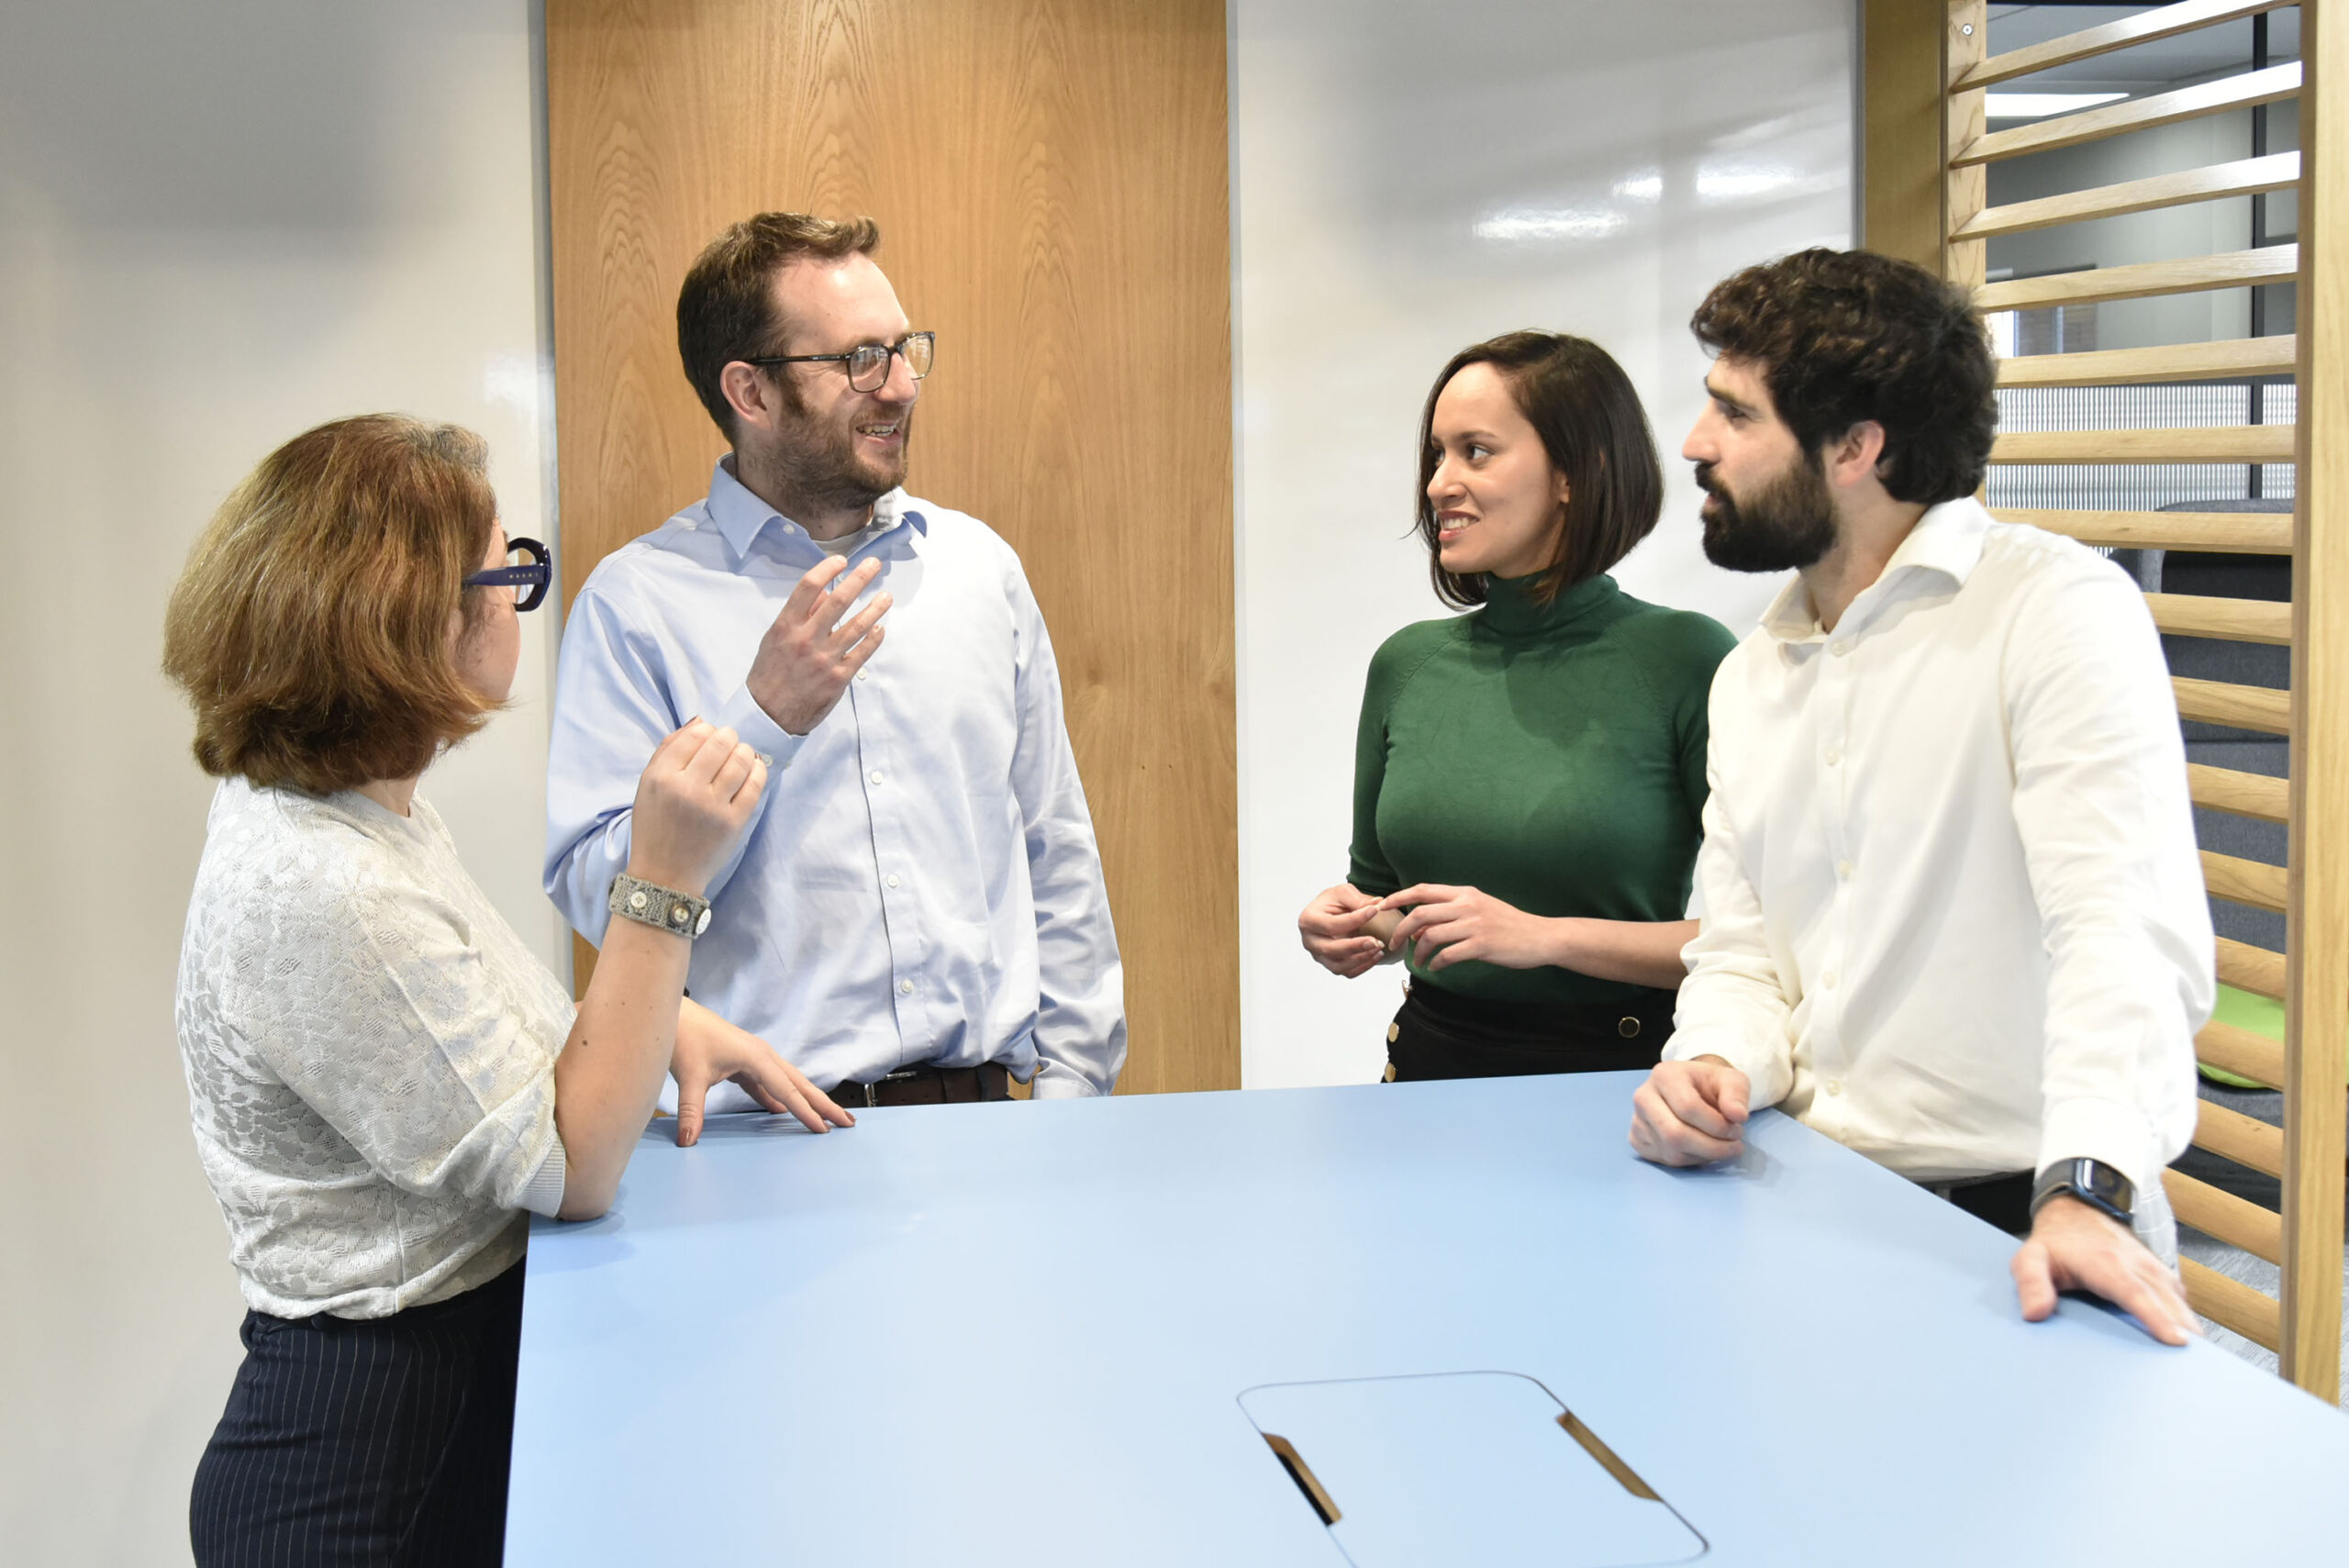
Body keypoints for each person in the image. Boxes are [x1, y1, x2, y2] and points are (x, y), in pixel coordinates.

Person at [165, 416, 852, 1565]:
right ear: (408, 616)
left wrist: (662, 1021)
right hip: (369, 1461)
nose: (519, 596)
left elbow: (469, 1047)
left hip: (425, 1405)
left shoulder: (355, 818)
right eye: (507, 569)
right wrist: (662, 878)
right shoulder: (329, 883)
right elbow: (569, 1168)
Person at [1626, 249, 2210, 1346]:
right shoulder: (1752, 672)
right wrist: (1710, 1062)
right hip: (1806, 1202)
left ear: (1856, 447)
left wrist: (2084, 1187)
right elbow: (1743, 954)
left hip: (2031, 1226)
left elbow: (2118, 932)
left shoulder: (2056, 612)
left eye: (1733, 414)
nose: (1698, 445)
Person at [544, 212, 1124, 1107]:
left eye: (904, 349)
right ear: (751, 392)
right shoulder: (636, 604)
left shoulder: (977, 570)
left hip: (987, 1124)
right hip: (753, 1141)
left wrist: (1075, 1084)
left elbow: (1053, 841)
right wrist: (759, 725)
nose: (899, 386)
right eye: (859, 359)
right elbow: (595, 893)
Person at [1297, 333, 1737, 1080]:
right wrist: (1350, 922)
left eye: (1476, 451)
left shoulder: (1688, 660)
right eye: (1437, 454)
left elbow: (1753, 945)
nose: (1440, 483)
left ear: (1575, 472)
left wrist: (1543, 937)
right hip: (1428, 1071)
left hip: (1616, 1080)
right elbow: (1385, 900)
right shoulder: (1406, 664)